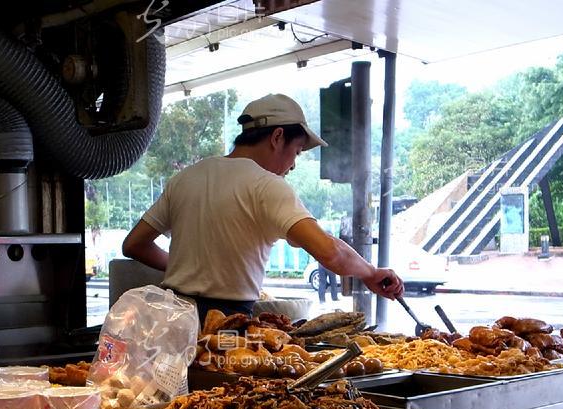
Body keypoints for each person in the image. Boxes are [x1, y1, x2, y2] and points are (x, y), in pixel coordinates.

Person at [122, 93, 404, 322]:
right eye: (296, 152)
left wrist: (183, 269)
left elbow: (134, 245)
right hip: (226, 325)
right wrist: (370, 272)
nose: (293, 165)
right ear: (277, 137)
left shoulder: (186, 177)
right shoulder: (267, 186)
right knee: (222, 390)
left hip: (171, 321)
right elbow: (329, 251)